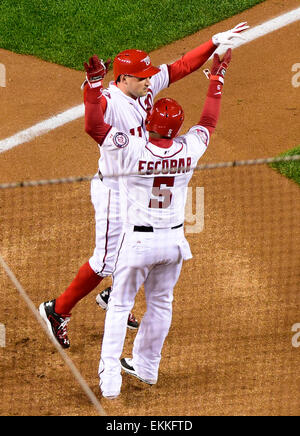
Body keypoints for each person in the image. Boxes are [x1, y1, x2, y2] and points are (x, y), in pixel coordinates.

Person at [39, 22, 248, 349]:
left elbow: (181, 66)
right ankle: (57, 310)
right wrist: (92, 86)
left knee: (148, 241)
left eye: (150, 75)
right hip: (114, 192)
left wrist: (213, 43)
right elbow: (93, 123)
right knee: (105, 260)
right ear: (122, 79)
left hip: (140, 187)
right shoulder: (109, 100)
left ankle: (114, 293)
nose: (150, 80)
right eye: (142, 77)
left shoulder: (146, 87)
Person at [82, 43, 232, 398]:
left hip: (138, 244)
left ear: (148, 123)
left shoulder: (131, 150)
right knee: (161, 303)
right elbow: (208, 120)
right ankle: (147, 367)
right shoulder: (189, 149)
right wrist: (217, 80)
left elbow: (94, 126)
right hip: (175, 244)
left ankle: (110, 381)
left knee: (119, 306)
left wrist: (91, 88)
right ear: (178, 128)